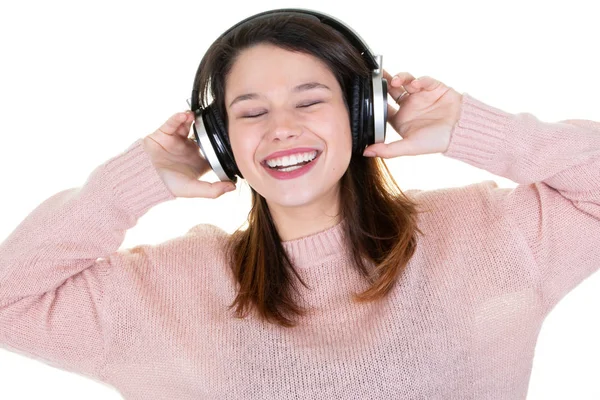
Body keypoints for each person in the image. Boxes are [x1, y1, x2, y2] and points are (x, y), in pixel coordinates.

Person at [0, 8, 599, 400]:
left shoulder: (485, 235)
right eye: (252, 112)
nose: (280, 128)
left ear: (360, 111)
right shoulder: (169, 286)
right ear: (221, 143)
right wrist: (128, 184)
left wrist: (475, 127)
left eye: (309, 101)